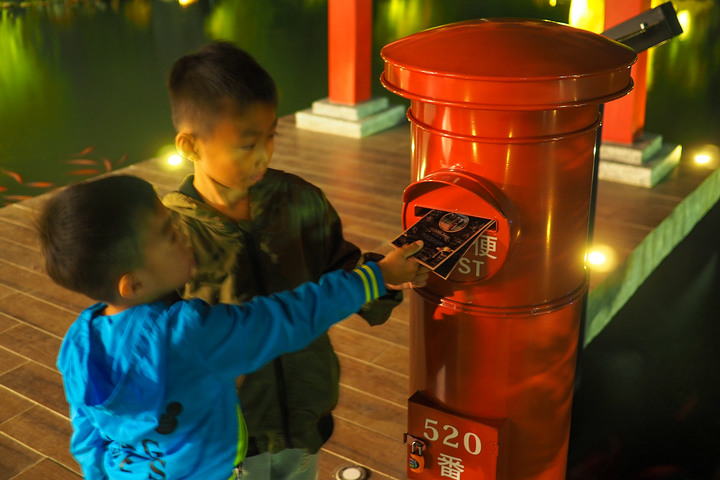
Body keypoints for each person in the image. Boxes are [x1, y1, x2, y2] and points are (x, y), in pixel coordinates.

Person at [38, 174, 425, 480]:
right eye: (170, 234)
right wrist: (376, 276)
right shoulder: (189, 333)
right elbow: (287, 317)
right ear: (134, 283)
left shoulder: (78, 341)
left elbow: (88, 433)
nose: (183, 235)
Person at [163, 41, 412, 479]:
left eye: (271, 136)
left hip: (303, 410)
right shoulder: (166, 238)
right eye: (246, 144)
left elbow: (339, 267)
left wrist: (384, 280)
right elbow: (156, 345)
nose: (264, 155)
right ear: (190, 145)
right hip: (227, 434)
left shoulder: (297, 199)